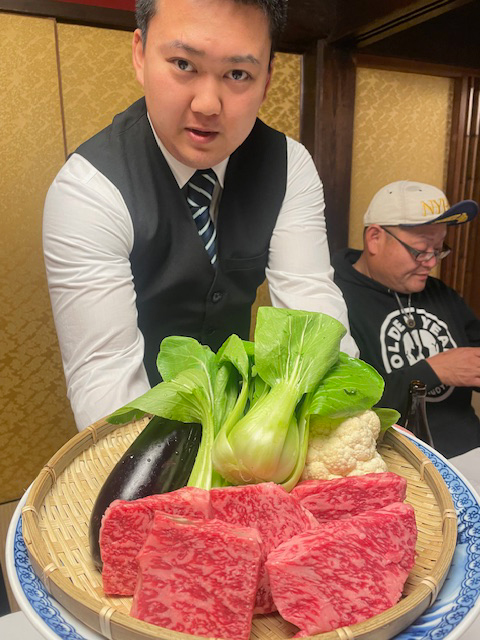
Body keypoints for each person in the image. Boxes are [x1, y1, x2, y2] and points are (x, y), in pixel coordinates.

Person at [43, 0, 357, 431]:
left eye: (238, 74)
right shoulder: (88, 189)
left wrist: (341, 424)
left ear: (267, 79)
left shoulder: (289, 166)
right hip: (141, 423)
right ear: (140, 54)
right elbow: (105, 373)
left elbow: (313, 307)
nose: (208, 105)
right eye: (183, 64)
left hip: (242, 419)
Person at [332, 180, 480, 458]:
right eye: (420, 250)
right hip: (394, 461)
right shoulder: (332, 299)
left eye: (439, 249)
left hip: (469, 453)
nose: (432, 262)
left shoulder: (440, 293)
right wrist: (433, 371)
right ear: (375, 238)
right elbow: (344, 406)